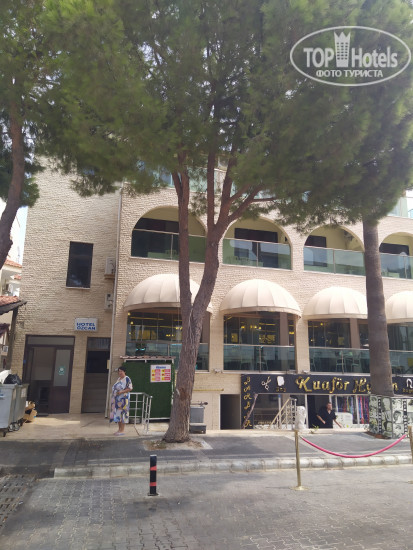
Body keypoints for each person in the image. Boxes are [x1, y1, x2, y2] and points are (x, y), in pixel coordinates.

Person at [110, 366, 133, 436]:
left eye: (121, 371)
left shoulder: (127, 378)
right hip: (117, 400)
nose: (120, 372)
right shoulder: (119, 379)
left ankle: (122, 430)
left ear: (124, 371)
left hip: (123, 400)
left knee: (123, 415)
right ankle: (119, 429)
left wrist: (121, 392)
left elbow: (130, 388)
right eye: (119, 371)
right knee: (118, 415)